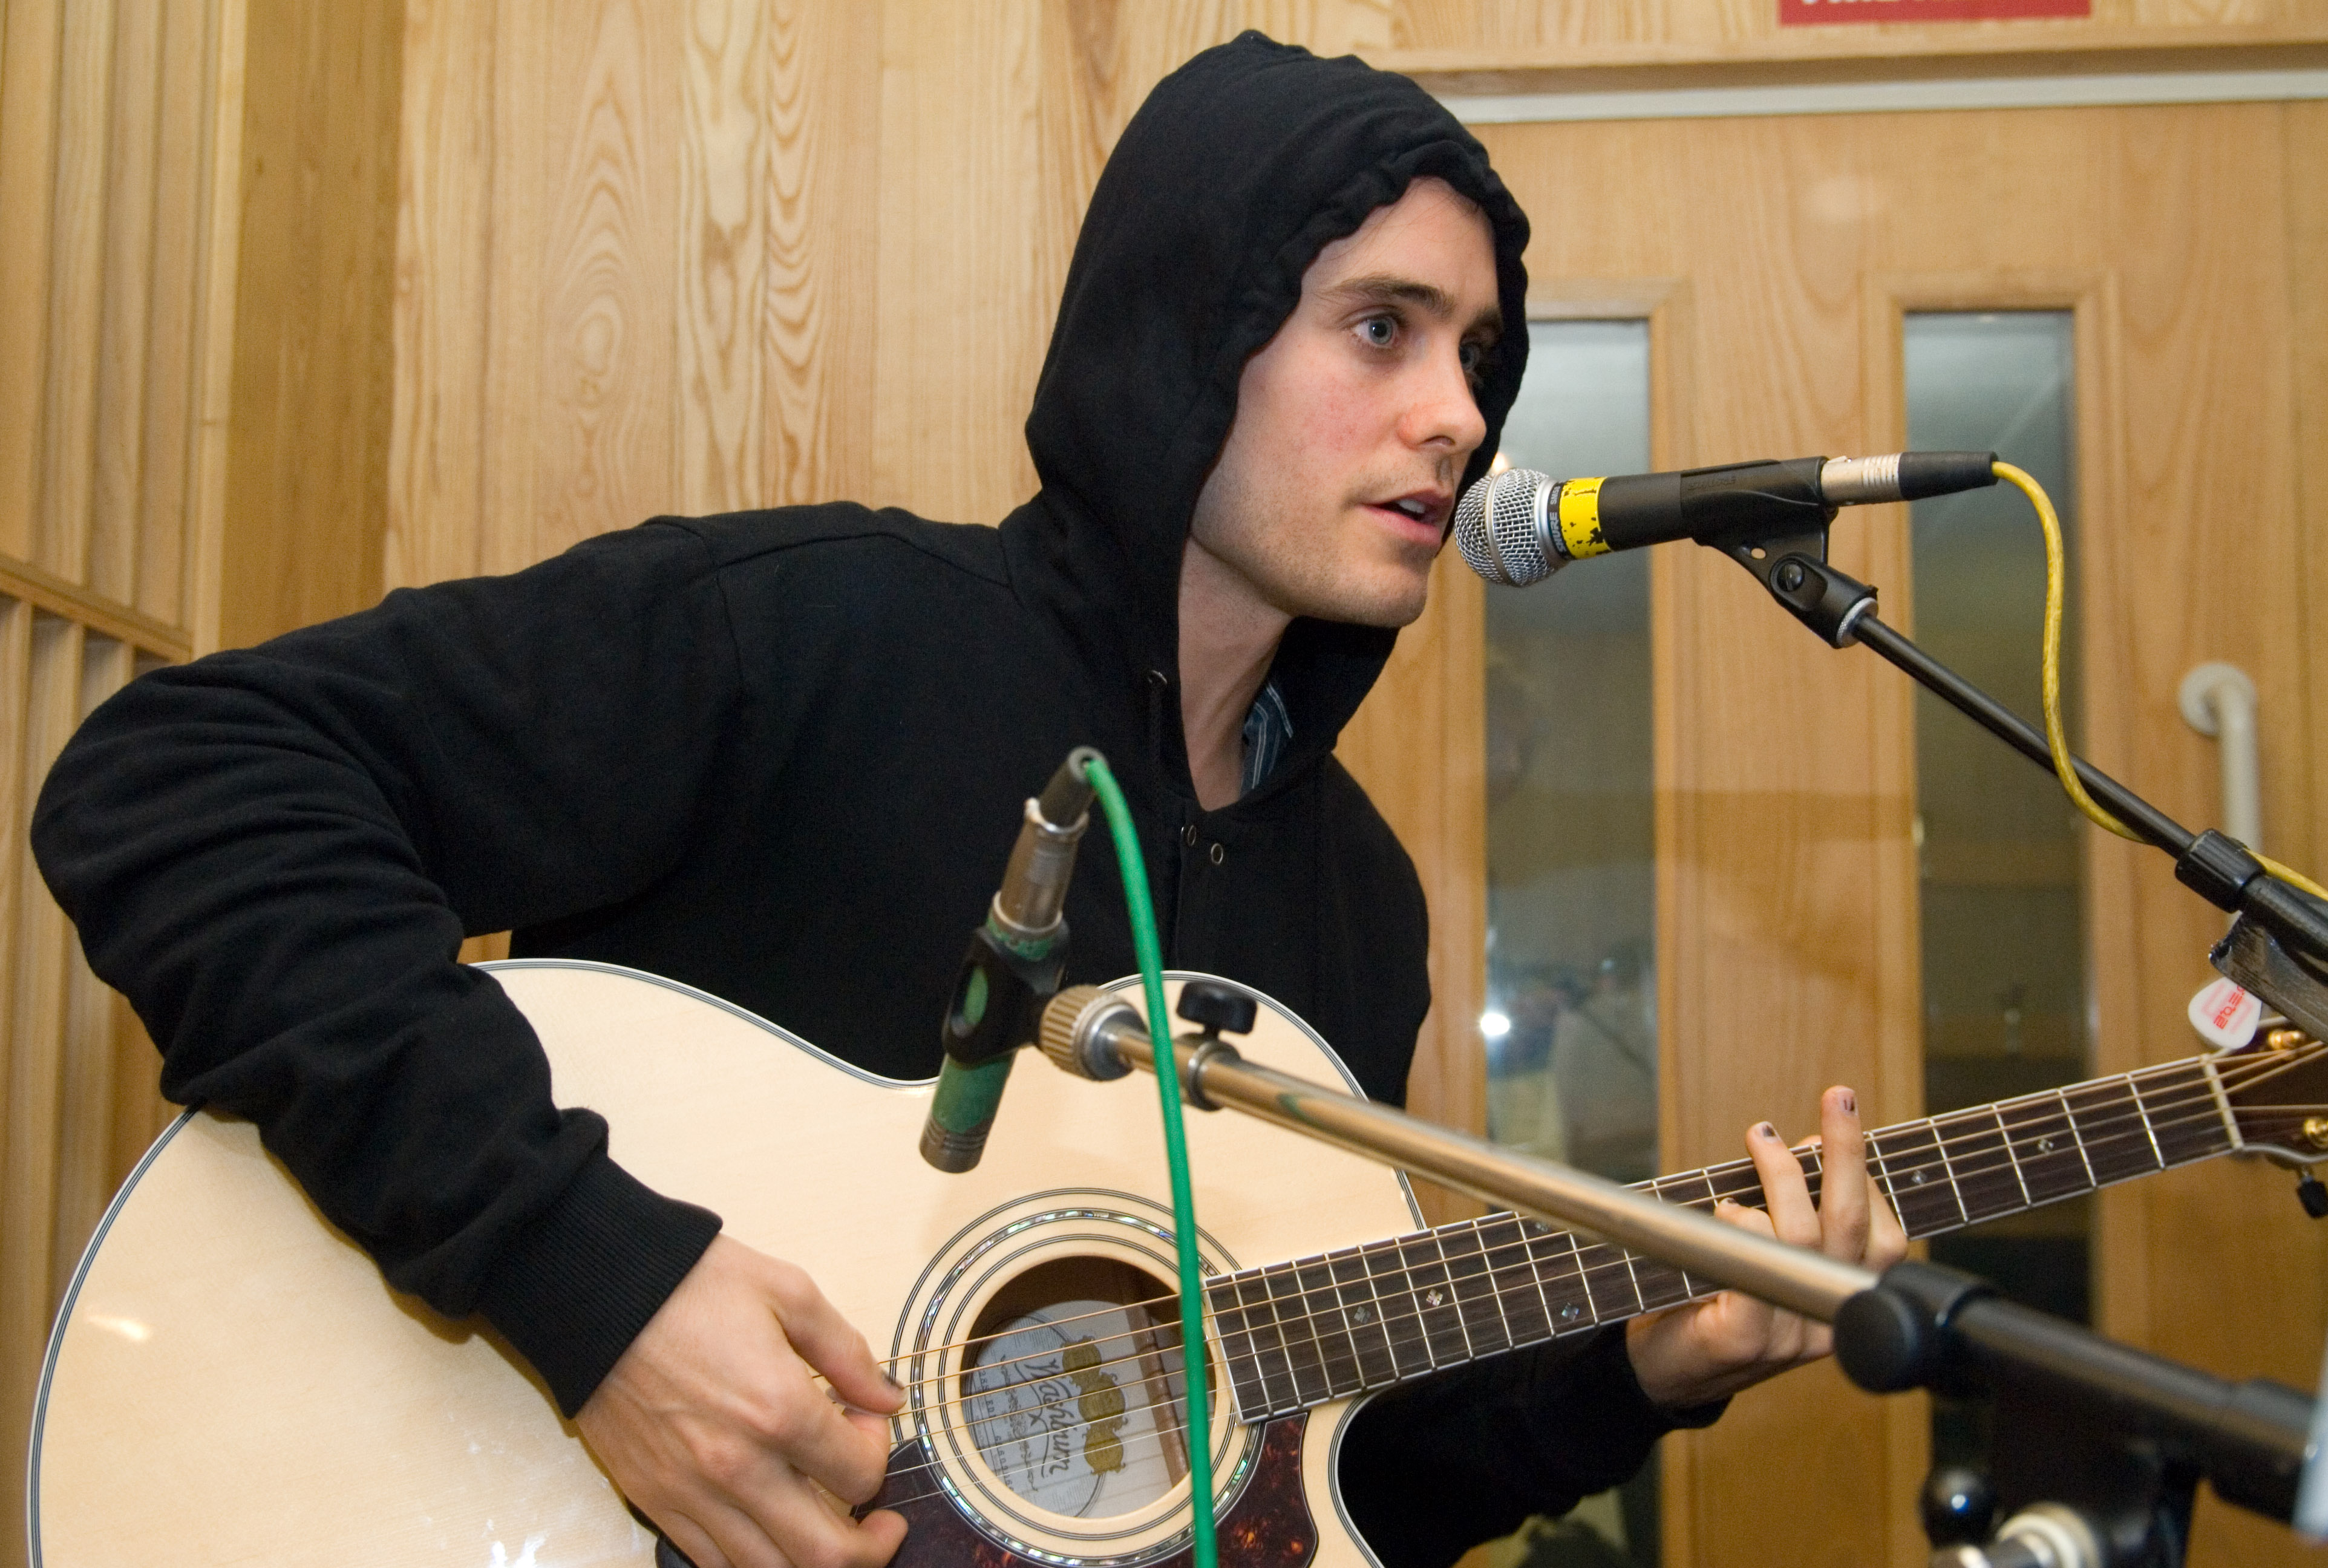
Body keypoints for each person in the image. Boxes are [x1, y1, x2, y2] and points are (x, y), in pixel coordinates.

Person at [32, 33, 1903, 1568]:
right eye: (1382, 328)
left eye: (1480, 357)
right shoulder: (822, 632)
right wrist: (589, 1286)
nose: (1460, 418)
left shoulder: (1356, 906)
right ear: (1190, 328)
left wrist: (1634, 1376)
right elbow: (181, 780)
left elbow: (1278, 1495)